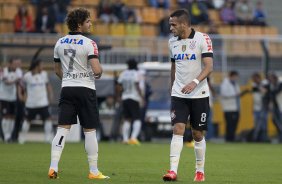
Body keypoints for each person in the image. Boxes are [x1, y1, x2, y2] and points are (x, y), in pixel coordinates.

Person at [48, 8, 109, 180]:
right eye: (88, 21)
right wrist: (99, 71)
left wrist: (69, 77)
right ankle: (94, 171)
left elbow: (57, 70)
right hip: (85, 89)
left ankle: (53, 167)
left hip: (67, 88)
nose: (91, 24)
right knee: (90, 131)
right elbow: (97, 70)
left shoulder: (59, 43)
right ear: (79, 24)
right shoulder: (90, 43)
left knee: (62, 129)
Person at [162, 9, 213, 182]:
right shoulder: (172, 43)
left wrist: (194, 82)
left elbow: (208, 66)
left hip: (199, 93)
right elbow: (174, 67)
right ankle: (172, 171)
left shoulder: (203, 39)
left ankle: (200, 171)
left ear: (184, 24)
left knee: (198, 134)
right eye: (170, 24)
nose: (171, 28)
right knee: (178, 129)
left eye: (173, 24)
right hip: (179, 94)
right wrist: (171, 86)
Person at [18, 59, 54, 144]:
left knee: (48, 119)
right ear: (36, 66)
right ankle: (22, 139)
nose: (42, 67)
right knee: (27, 120)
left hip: (43, 103)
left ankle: (48, 139)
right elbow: (20, 85)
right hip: (31, 104)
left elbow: (48, 85)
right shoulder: (27, 76)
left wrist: (50, 95)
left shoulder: (44, 75)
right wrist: (20, 95)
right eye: (41, 65)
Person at [118, 59, 144, 145]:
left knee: (127, 119)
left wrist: (119, 96)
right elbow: (137, 85)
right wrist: (142, 97)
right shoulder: (136, 73)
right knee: (137, 118)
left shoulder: (123, 73)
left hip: (125, 98)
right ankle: (133, 138)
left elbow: (119, 86)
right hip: (134, 98)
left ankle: (125, 139)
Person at [0, 58, 23, 143]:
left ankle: (9, 135)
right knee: (6, 116)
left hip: (12, 97)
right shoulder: (4, 71)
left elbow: (20, 82)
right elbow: (6, 82)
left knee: (12, 117)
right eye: (14, 64)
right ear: (10, 64)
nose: (16, 66)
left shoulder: (18, 71)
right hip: (4, 97)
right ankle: (6, 136)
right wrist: (16, 80)